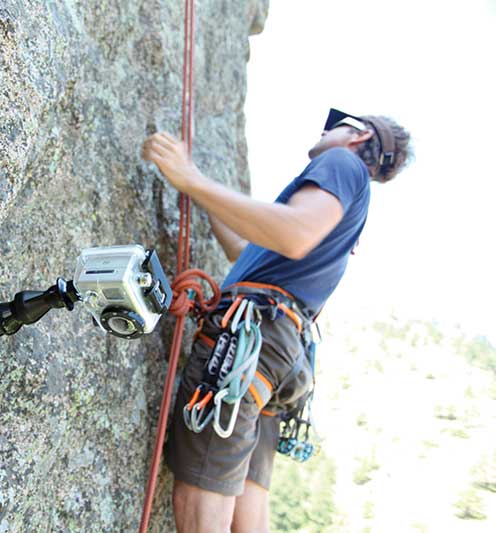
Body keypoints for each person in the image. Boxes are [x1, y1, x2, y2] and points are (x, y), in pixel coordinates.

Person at [141, 109, 412, 533]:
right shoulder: (349, 207)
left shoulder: (343, 164)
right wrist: (199, 192)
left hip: (252, 338)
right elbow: (244, 251)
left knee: (205, 480)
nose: (326, 128)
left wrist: (191, 178)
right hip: (280, 356)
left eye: (337, 124)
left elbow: (294, 234)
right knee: (248, 510)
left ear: (358, 136)